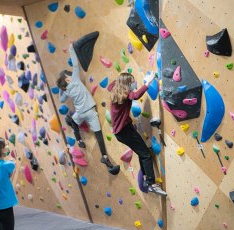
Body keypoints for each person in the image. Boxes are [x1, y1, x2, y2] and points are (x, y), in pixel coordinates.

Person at [56, 42, 120, 175]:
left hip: (81, 114)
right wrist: (71, 48)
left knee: (74, 121)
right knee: (99, 135)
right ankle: (105, 157)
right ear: (67, 79)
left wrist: (61, 89)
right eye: (67, 76)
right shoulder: (74, 79)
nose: (69, 75)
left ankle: (78, 138)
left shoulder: (67, 90)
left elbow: (62, 97)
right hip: (90, 112)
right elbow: (75, 63)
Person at [110, 72, 167, 196]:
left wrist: (121, 79)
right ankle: (151, 184)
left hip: (124, 131)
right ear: (126, 84)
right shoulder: (124, 95)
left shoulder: (116, 94)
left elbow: (113, 86)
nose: (134, 84)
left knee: (142, 153)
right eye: (132, 82)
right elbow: (135, 96)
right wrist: (148, 82)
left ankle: (147, 179)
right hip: (124, 131)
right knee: (146, 154)